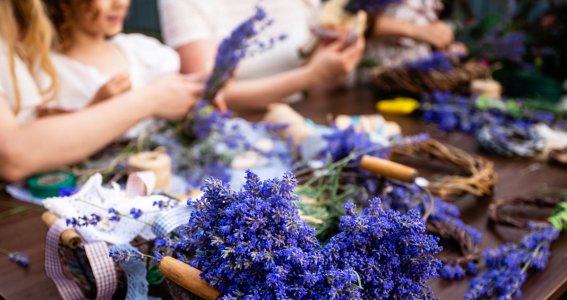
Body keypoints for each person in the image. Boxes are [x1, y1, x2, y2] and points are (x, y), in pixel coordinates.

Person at [0, 0, 203, 182]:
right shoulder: (47, 73)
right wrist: (103, 107)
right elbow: (27, 143)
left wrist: (203, 91)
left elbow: (185, 92)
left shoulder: (144, 51)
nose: (120, 3)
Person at [158, 0, 366, 110]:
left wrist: (337, 59)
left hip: (303, 122)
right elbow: (210, 95)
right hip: (231, 136)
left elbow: (317, 88)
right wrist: (311, 75)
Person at [366, 0, 462, 68]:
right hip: (373, 77)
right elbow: (356, 20)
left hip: (414, 80)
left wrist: (446, 48)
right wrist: (417, 31)